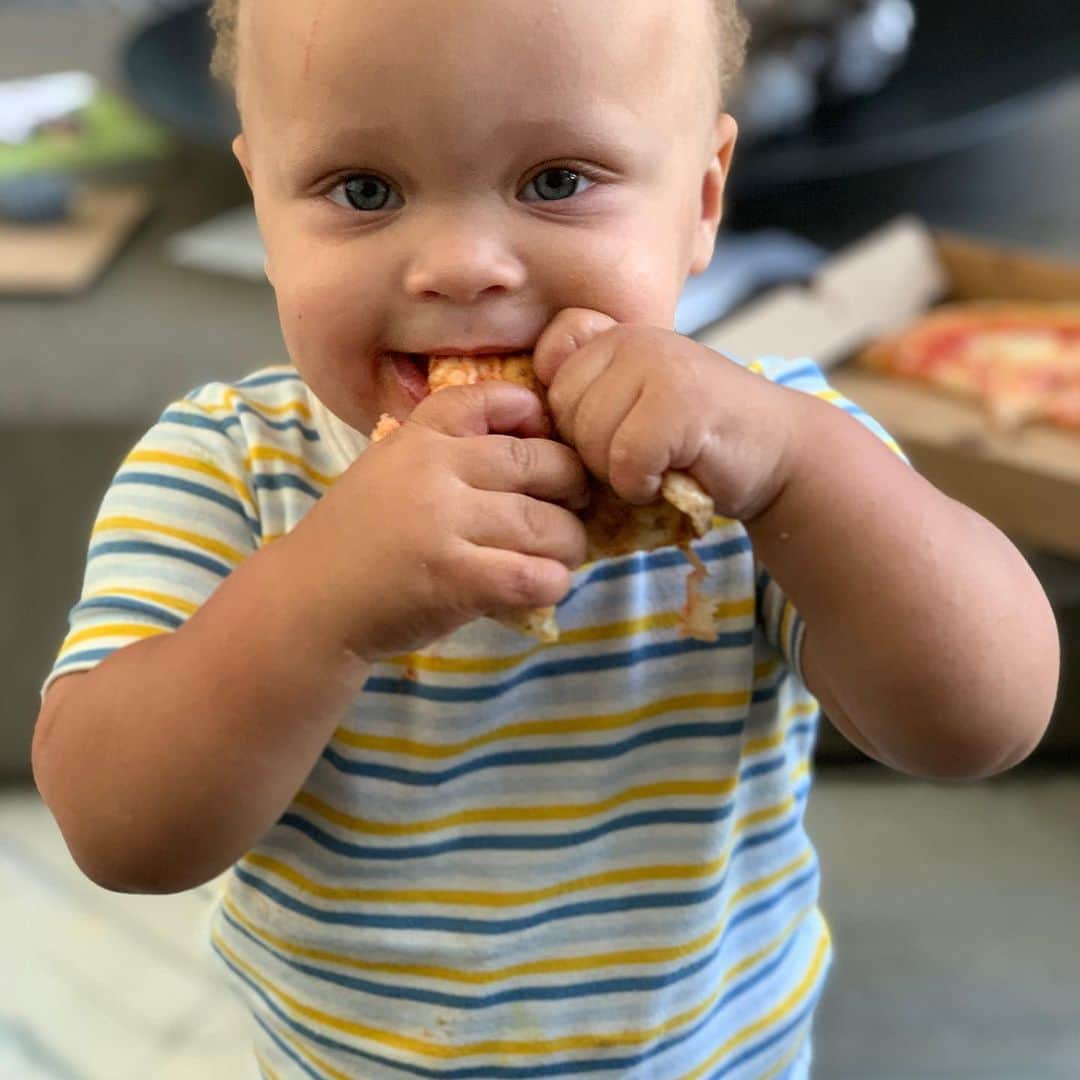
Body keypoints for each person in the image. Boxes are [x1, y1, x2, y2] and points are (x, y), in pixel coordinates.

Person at [32, 1, 1059, 1076]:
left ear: (702, 198)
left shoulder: (760, 459)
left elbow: (981, 719)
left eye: (558, 180)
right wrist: (316, 607)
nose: (465, 265)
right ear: (262, 206)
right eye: (364, 191)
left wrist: (802, 471)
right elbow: (117, 831)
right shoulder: (229, 469)